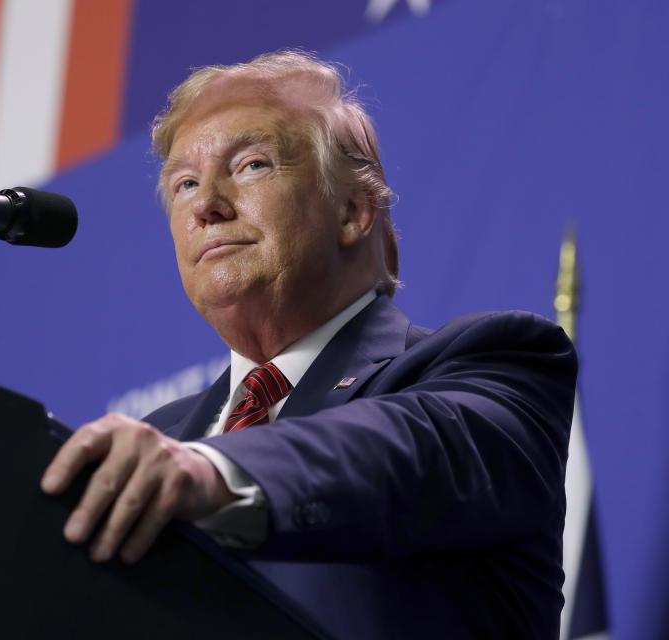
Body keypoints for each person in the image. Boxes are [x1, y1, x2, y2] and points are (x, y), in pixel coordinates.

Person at [41, 50, 576, 638]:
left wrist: (211, 470)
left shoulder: (494, 362)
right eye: (184, 183)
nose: (206, 205)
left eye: (250, 165)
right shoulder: (159, 438)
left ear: (353, 210)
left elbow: (399, 450)